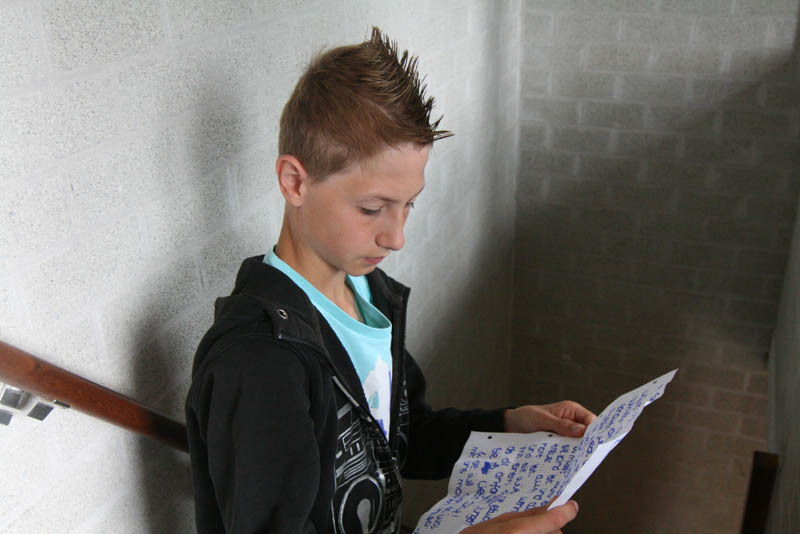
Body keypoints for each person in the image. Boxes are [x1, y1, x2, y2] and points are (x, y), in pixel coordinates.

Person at [185, 27, 595, 534]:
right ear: (295, 181)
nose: (396, 237)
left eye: (408, 206)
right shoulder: (259, 361)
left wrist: (510, 425)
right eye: (372, 208)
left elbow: (399, 437)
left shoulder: (369, 294)